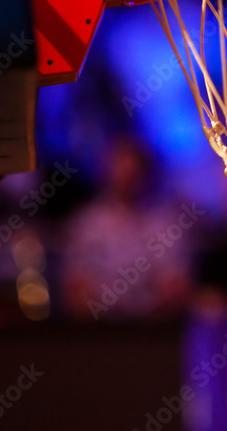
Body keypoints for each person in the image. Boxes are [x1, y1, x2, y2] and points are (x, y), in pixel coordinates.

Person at [62, 135, 192, 321]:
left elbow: (175, 285)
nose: (127, 178)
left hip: (152, 328)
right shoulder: (87, 224)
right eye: (121, 171)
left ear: (145, 174)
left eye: (133, 173)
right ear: (107, 172)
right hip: (98, 329)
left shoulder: (165, 223)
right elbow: (75, 287)